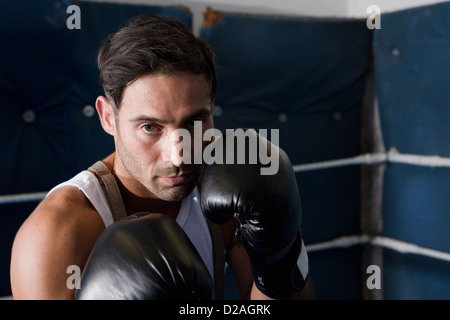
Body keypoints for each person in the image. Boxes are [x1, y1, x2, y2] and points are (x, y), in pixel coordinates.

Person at [10, 14, 313, 300]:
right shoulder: (56, 234)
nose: (179, 155)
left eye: (194, 123)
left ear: (211, 107)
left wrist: (280, 253)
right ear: (107, 118)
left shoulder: (232, 187)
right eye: (150, 127)